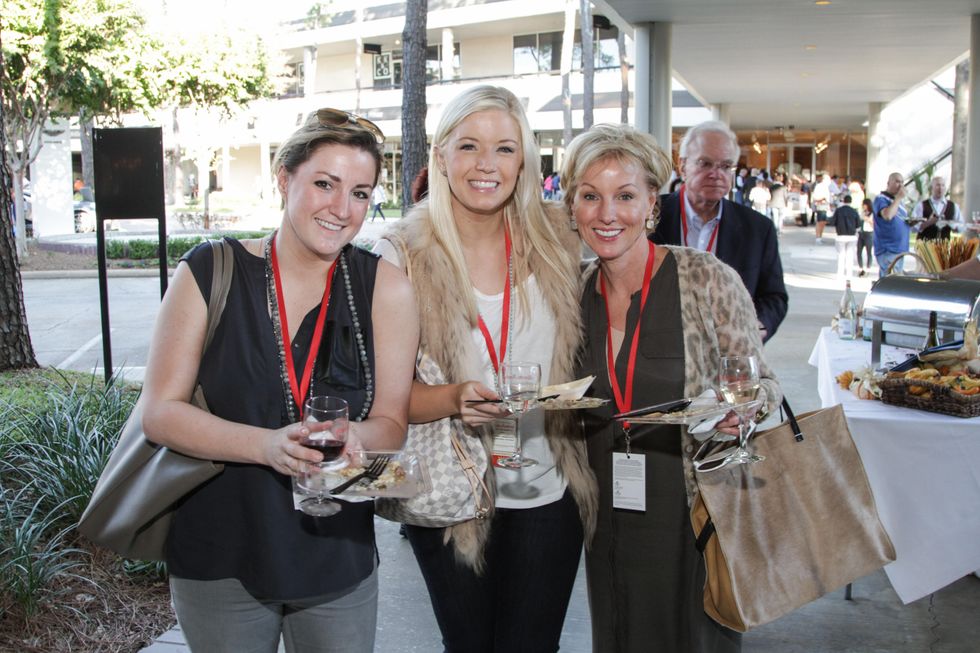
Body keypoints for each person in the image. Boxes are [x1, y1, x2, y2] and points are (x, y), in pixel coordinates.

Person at [140, 109, 419, 652]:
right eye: (324, 184)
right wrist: (267, 446)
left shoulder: (386, 289)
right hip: (222, 550)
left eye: (360, 193)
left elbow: (391, 423)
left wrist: (354, 438)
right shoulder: (209, 271)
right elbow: (161, 411)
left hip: (335, 552)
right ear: (284, 178)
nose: (342, 210)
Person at [373, 85, 597, 653]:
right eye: (469, 146)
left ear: (524, 160)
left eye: (504, 148)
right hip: (453, 497)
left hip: (548, 488)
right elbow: (383, 397)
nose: (486, 165)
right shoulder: (402, 254)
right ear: (441, 155)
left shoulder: (560, 240)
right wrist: (452, 398)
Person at [562, 122, 781, 653]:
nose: (607, 214)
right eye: (591, 197)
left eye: (625, 196)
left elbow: (763, 386)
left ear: (653, 205)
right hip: (605, 512)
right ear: (573, 207)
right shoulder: (570, 293)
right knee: (618, 632)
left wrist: (741, 412)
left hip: (693, 512)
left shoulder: (707, 279)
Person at [649, 120, 788, 342]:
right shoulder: (649, 216)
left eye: (725, 166)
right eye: (705, 163)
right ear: (682, 166)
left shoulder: (758, 229)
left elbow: (774, 297)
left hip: (728, 355)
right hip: (660, 352)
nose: (716, 174)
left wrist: (758, 325)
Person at [873, 172, 910, 276]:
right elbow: (888, 215)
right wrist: (898, 198)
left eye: (902, 182)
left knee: (896, 280)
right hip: (888, 249)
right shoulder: (881, 199)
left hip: (900, 248)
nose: (901, 185)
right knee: (890, 281)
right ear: (888, 183)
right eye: (897, 182)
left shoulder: (898, 202)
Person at [911, 175, 962, 240]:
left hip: (943, 248)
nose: (940, 188)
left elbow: (961, 228)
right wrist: (929, 222)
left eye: (943, 185)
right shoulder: (921, 205)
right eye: (937, 185)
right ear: (932, 188)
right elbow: (913, 228)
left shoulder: (953, 206)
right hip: (924, 247)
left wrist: (952, 225)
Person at [832, 194, 860, 279]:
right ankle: (849, 274)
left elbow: (833, 222)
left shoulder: (838, 210)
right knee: (850, 255)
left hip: (841, 235)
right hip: (851, 236)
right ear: (851, 201)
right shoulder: (854, 211)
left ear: (844, 201)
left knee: (841, 255)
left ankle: (840, 274)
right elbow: (858, 224)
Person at [857, 198, 875, 277]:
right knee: (859, 251)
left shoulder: (872, 214)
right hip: (861, 233)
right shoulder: (862, 213)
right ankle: (861, 268)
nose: (863, 206)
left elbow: (874, 225)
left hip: (869, 233)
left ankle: (868, 268)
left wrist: (867, 219)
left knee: (868, 252)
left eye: (864, 205)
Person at [811, 173, 832, 242]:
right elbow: (815, 197)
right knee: (819, 221)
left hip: (825, 205)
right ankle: (818, 237)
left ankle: (820, 236)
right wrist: (822, 199)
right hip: (820, 205)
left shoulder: (826, 187)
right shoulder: (819, 186)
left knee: (823, 222)